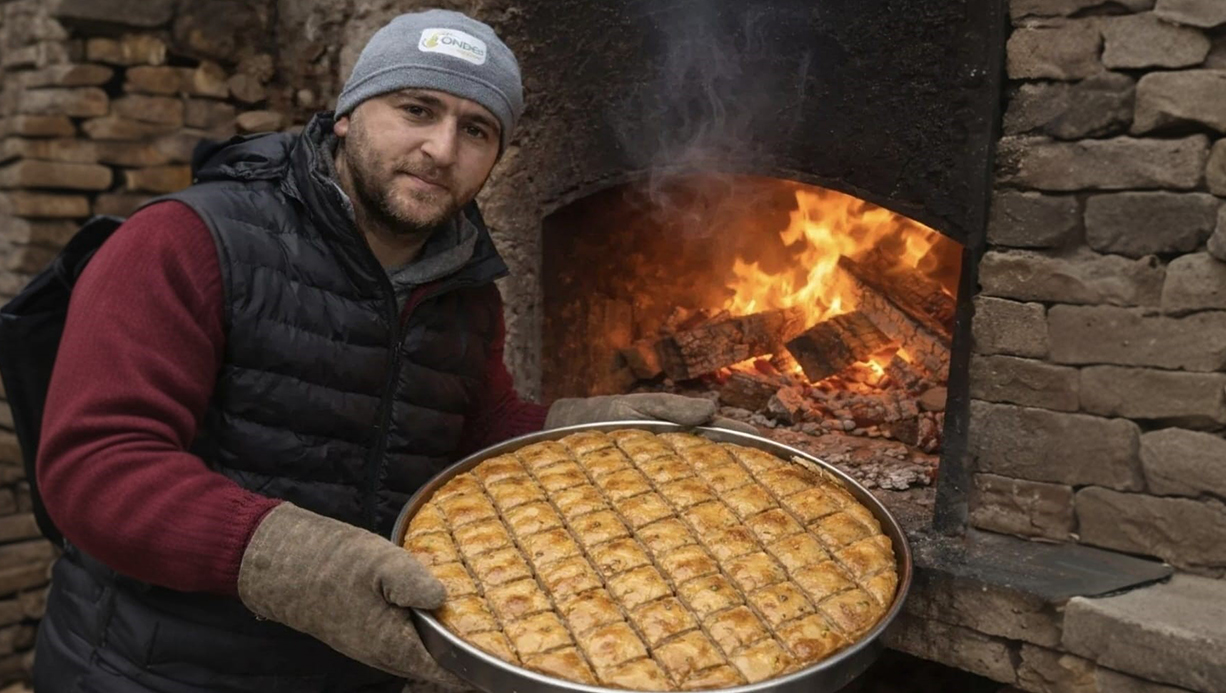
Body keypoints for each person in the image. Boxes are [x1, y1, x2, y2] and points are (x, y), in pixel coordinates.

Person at [31, 9, 734, 692]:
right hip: (153, 667)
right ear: (347, 114)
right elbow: (95, 465)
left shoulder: (464, 289)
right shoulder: (187, 241)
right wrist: (291, 557)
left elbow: (470, 430)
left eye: (477, 129)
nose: (441, 149)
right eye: (416, 109)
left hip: (362, 666)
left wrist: (583, 429)